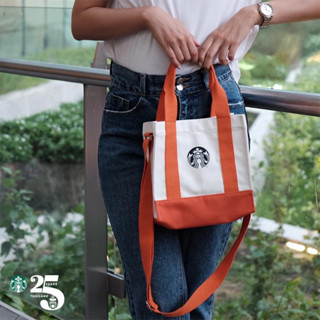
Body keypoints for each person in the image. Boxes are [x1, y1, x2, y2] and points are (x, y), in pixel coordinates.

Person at [72, 1, 320, 319]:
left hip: (213, 104)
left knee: (198, 298)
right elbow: (82, 22)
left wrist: (256, 13)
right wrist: (148, 16)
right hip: (134, 111)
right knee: (160, 300)